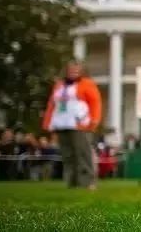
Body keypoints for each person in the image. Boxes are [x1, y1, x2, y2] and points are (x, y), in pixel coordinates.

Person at [42, 60, 102, 189]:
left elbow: (95, 102)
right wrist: (47, 122)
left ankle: (87, 182)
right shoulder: (59, 85)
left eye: (76, 70)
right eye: (70, 70)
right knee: (68, 154)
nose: (73, 72)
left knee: (82, 153)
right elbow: (52, 104)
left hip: (79, 123)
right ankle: (72, 182)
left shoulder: (87, 84)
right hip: (62, 123)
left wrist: (95, 119)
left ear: (81, 71)